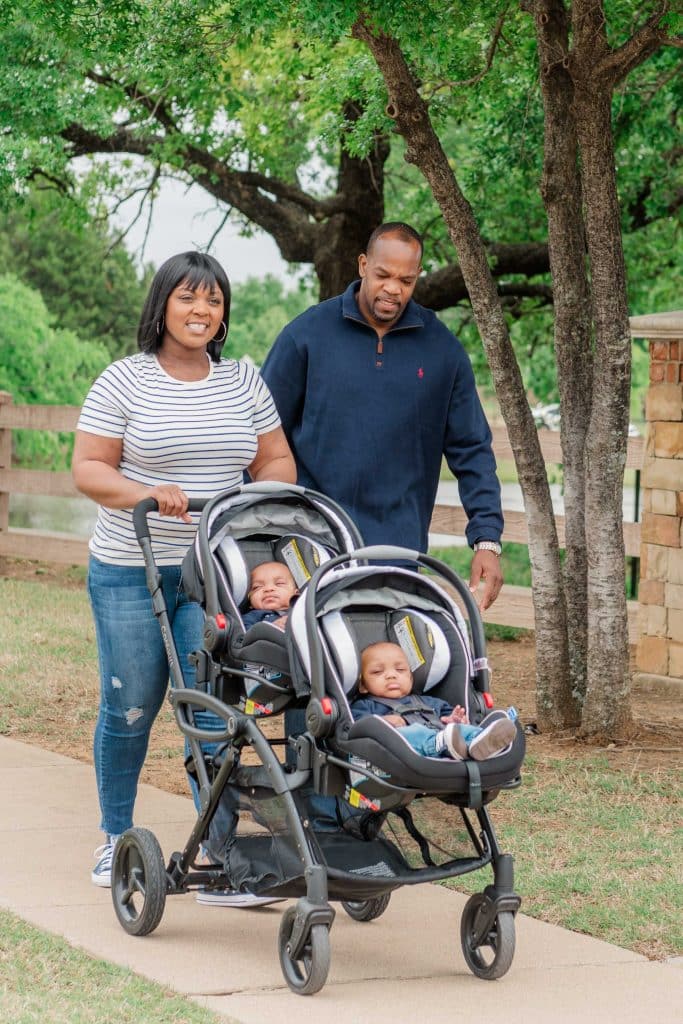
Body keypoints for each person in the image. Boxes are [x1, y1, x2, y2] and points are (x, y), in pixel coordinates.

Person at [72, 251, 296, 906]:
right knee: (133, 703)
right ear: (163, 304)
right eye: (188, 298)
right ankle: (115, 835)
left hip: (213, 572)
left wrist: (255, 501)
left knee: (212, 708)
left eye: (214, 300)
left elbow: (274, 456)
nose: (202, 311)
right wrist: (146, 491)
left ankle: (221, 852)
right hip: (129, 568)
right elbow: (88, 467)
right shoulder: (123, 381)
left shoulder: (243, 382)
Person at [261, 221, 504, 611]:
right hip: (310, 539)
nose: (393, 288)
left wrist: (487, 540)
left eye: (406, 280)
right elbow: (261, 435)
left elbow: (472, 450)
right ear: (362, 265)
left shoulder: (443, 351)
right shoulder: (306, 335)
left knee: (387, 668)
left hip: (398, 550)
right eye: (383, 275)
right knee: (311, 664)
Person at [352, 643, 516, 761]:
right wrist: (384, 722)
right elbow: (357, 727)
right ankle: (441, 745)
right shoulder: (366, 705)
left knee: (461, 728)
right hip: (402, 751)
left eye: (400, 670)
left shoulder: (429, 702)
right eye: (378, 671)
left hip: (446, 738)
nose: (391, 675)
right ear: (363, 685)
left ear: (410, 678)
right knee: (414, 732)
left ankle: (480, 741)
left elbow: (447, 717)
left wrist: (454, 720)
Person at [242, 561, 299, 630]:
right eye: (257, 587)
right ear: (250, 601)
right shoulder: (252, 617)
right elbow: (244, 636)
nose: (268, 589)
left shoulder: (302, 610)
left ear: (296, 594)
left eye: (279, 583)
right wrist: (271, 629)